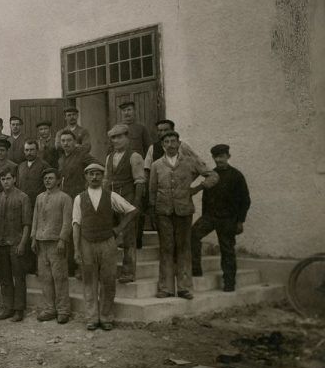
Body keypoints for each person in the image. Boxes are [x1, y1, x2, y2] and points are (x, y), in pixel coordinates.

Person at [149, 131, 218, 299]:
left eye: (174, 141)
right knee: (166, 248)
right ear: (163, 145)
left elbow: (213, 175)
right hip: (163, 212)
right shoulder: (157, 165)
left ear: (179, 143)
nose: (171, 144)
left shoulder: (189, 162)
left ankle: (184, 288)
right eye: (167, 142)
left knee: (184, 248)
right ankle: (165, 288)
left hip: (184, 210)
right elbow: (152, 190)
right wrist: (153, 211)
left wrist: (198, 188)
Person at [72, 164, 138, 331]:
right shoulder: (79, 198)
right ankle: (92, 318)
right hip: (87, 242)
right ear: (86, 176)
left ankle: (106, 317)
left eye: (98, 174)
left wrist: (118, 229)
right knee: (89, 281)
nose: (94, 177)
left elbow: (131, 211)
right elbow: (76, 225)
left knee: (108, 280)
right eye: (91, 174)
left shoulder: (111, 196)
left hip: (108, 242)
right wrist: (76, 249)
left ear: (102, 177)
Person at [191, 144, 251, 292]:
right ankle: (196, 269)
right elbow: (206, 198)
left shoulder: (236, 175)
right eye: (216, 157)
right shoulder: (212, 174)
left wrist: (240, 221)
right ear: (213, 157)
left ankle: (229, 282)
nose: (219, 160)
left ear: (228, 157)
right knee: (192, 235)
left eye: (222, 156)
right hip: (210, 216)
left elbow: (245, 200)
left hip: (228, 219)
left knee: (227, 249)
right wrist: (205, 215)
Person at [103, 125, 145, 283]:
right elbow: (106, 180)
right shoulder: (109, 157)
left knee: (128, 237)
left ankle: (128, 271)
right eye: (113, 138)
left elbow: (140, 182)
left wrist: (135, 204)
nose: (116, 141)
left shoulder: (135, 157)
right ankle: (110, 270)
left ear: (127, 138)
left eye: (120, 137)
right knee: (109, 235)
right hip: (111, 200)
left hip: (127, 199)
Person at [31, 168, 73, 323]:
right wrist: (34, 238)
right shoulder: (39, 198)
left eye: (50, 178)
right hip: (42, 243)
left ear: (58, 180)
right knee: (45, 277)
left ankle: (63, 310)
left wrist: (63, 239)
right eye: (45, 178)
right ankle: (49, 308)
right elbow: (35, 219)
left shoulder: (65, 198)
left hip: (56, 243)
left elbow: (67, 221)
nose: (47, 181)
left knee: (59, 277)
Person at [0, 168, 32, 322]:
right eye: (3, 179)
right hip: (0, 243)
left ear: (14, 179)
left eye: (8, 178)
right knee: (4, 277)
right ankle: (8, 307)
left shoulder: (23, 198)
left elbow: (27, 223)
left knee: (19, 277)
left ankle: (19, 310)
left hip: (15, 243)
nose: (5, 182)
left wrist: (22, 243)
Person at [57, 129, 96, 276]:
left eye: (69, 140)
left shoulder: (82, 156)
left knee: (80, 232)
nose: (66, 143)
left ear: (75, 142)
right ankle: (70, 266)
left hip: (79, 198)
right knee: (68, 232)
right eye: (63, 141)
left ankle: (82, 267)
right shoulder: (61, 159)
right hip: (65, 200)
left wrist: (88, 187)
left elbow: (97, 167)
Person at [16, 140, 51, 207]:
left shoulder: (44, 166)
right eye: (27, 150)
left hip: (39, 203)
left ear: (37, 150)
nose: (29, 153)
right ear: (24, 151)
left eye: (32, 150)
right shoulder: (21, 166)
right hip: (22, 203)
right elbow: (18, 185)